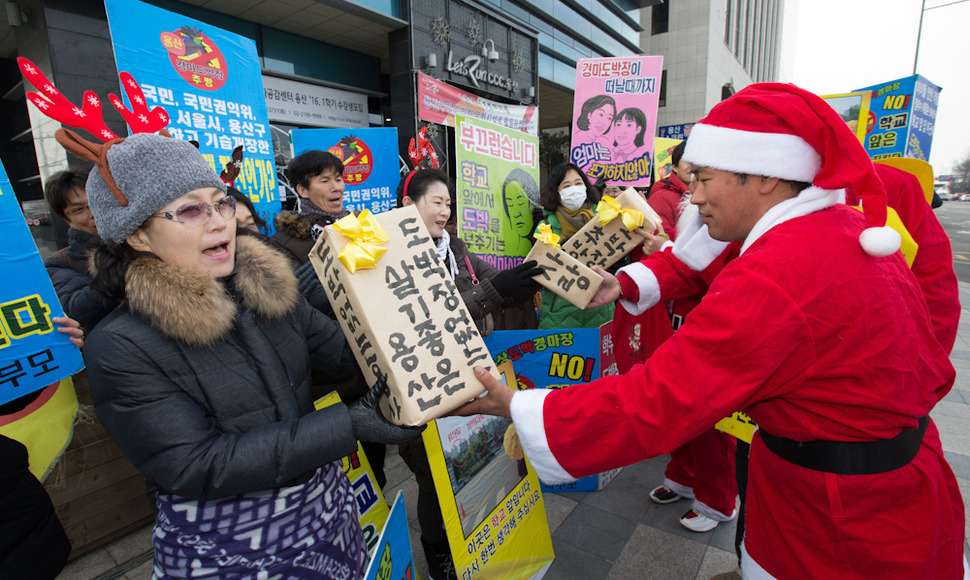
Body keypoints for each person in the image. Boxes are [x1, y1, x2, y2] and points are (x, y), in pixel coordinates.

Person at [457, 83, 965, 579]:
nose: (692, 196)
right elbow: (699, 257)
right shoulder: (829, 229)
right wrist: (628, 283)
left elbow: (659, 399)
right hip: (881, 488)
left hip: (841, 523)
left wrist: (519, 405)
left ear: (763, 178)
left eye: (703, 177)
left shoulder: (778, 274)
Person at [66, 131, 418, 578]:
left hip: (327, 511)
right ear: (136, 234)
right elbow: (195, 464)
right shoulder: (119, 344)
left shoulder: (269, 291)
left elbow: (347, 356)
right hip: (224, 546)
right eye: (192, 210)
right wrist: (346, 425)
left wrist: (416, 328)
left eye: (221, 203)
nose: (218, 223)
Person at [395, 168, 542, 580]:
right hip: (426, 383)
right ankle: (438, 556)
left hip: (473, 375)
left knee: (471, 463)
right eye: (435, 202)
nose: (444, 211)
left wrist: (532, 276)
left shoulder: (455, 249)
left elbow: (495, 282)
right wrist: (497, 291)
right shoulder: (394, 256)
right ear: (408, 206)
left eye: (448, 203)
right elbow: (435, 316)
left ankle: (478, 544)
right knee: (430, 476)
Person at [536, 162, 613, 329]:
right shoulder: (546, 225)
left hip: (601, 311)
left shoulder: (605, 218)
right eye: (566, 185)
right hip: (559, 314)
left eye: (578, 183)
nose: (574, 189)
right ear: (556, 192)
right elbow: (539, 267)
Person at [43, 170, 116, 331]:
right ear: (66, 219)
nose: (93, 213)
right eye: (78, 210)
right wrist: (119, 268)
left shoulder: (143, 238)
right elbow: (77, 308)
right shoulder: (59, 264)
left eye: (95, 202)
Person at [270, 150, 349, 266]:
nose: (336, 187)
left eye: (338, 180)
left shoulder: (361, 224)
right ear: (303, 190)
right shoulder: (283, 244)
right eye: (325, 181)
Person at [647, 140, 691, 240]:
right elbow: (659, 238)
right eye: (687, 160)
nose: (692, 166)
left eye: (696, 161)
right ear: (675, 167)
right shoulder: (661, 196)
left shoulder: (704, 194)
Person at [501, 168, 538, 256]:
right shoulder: (510, 248)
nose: (516, 214)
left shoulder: (549, 231)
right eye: (510, 204)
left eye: (521, 202)